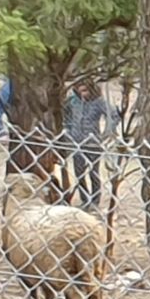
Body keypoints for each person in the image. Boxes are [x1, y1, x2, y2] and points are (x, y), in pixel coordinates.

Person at [64, 82, 118, 210]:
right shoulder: (73, 102)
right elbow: (66, 115)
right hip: (76, 142)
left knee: (94, 172)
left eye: (86, 90)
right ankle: (84, 198)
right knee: (79, 173)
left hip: (93, 143)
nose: (84, 94)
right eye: (81, 91)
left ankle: (95, 199)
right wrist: (68, 130)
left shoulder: (99, 102)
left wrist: (107, 132)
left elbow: (114, 115)